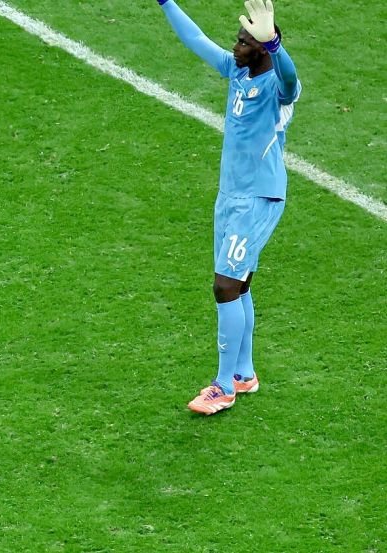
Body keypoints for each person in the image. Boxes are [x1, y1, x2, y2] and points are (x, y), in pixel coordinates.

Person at [157, 0, 302, 415]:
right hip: (230, 196)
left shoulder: (278, 85)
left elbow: (291, 77)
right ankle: (243, 373)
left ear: (262, 49)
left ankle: (222, 386)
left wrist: (275, 43)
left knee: (224, 286)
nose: (236, 46)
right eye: (238, 40)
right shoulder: (237, 71)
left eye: (244, 42)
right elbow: (195, 39)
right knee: (239, 285)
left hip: (259, 197)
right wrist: (166, 2)